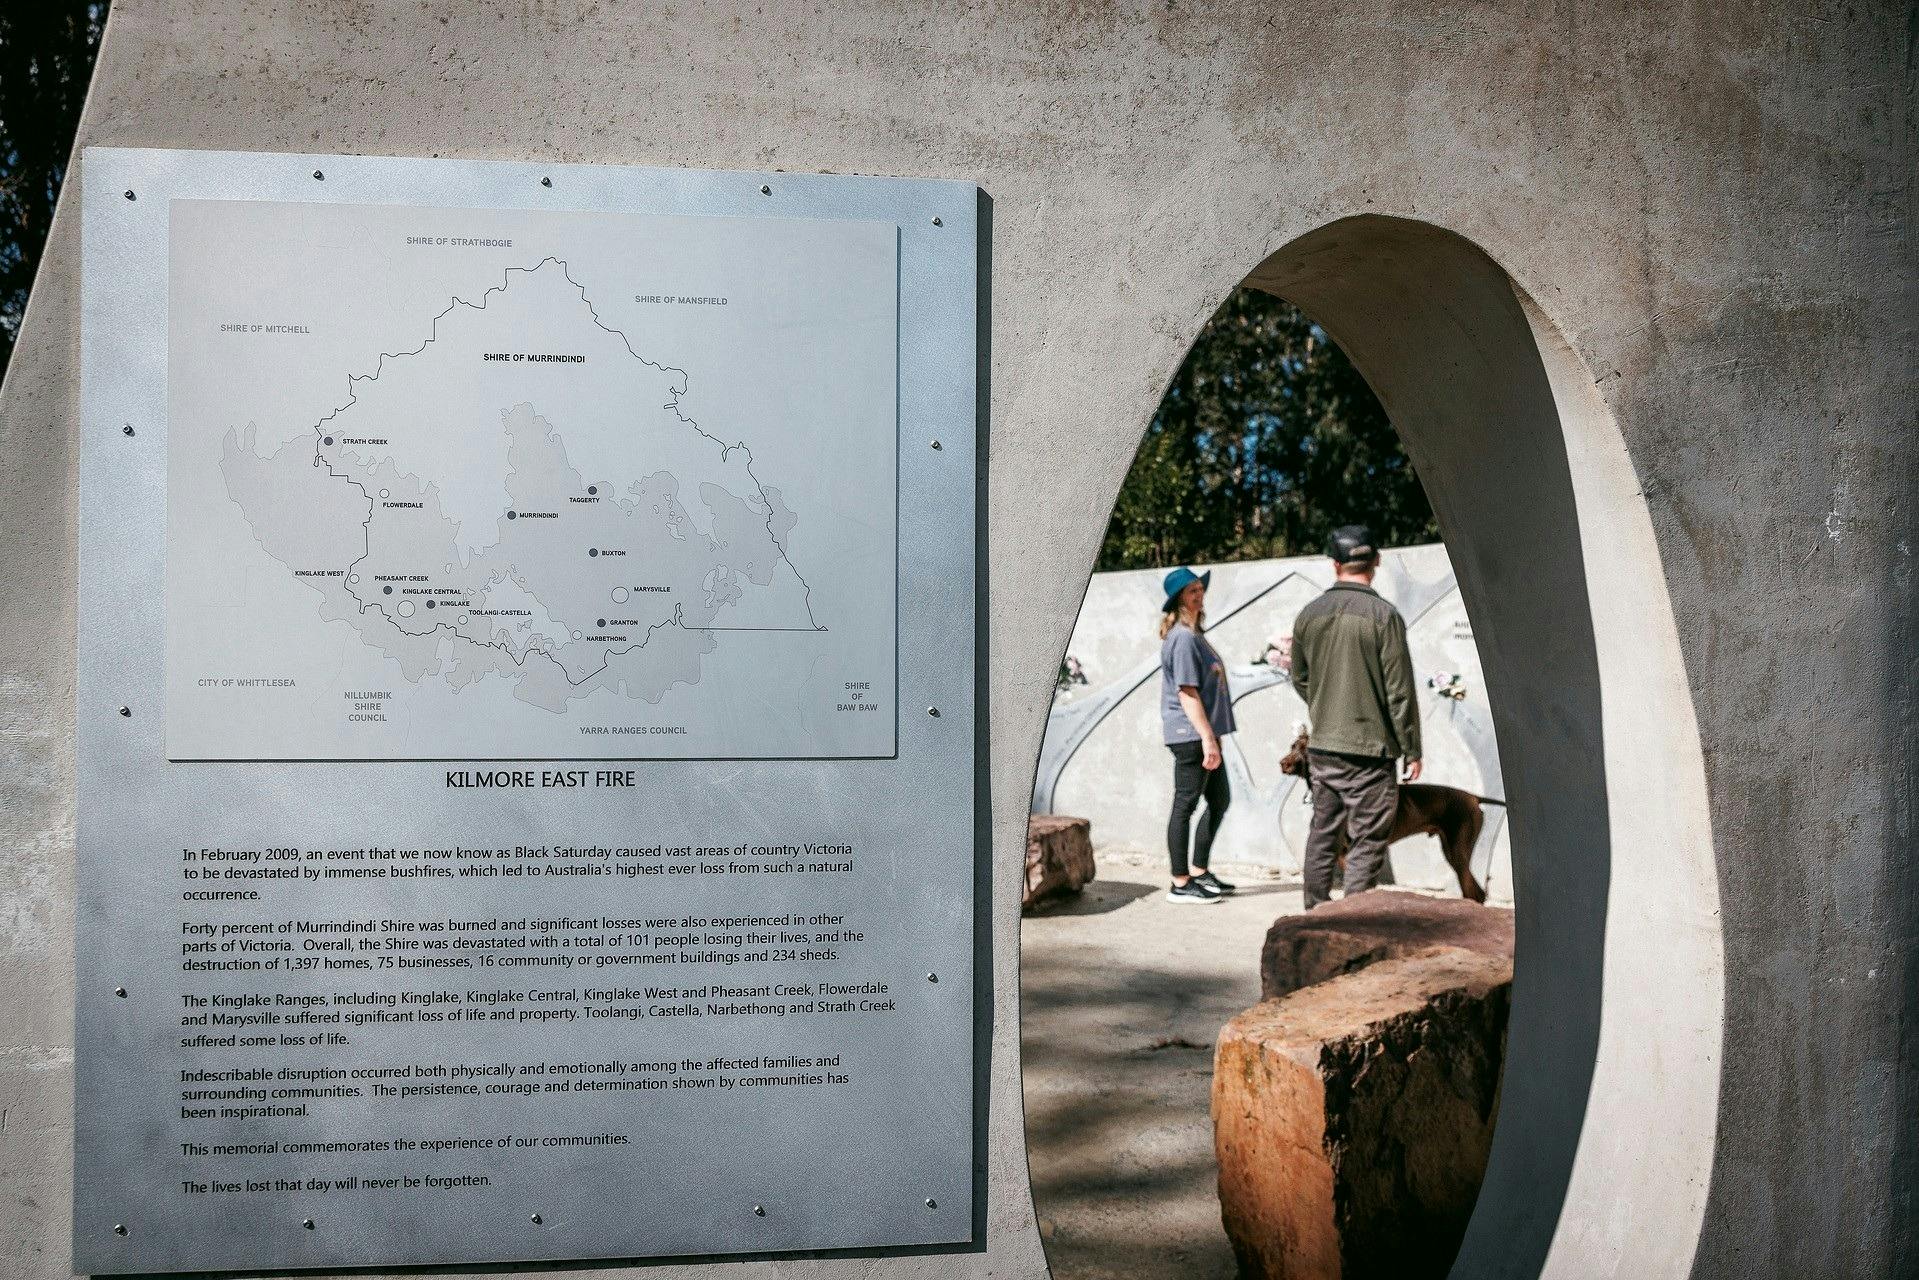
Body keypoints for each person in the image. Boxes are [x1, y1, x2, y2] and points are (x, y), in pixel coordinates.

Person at [1288, 525, 1421, 909]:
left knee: (1323, 835)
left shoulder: (1308, 615)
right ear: (1376, 561)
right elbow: (1400, 691)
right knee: (1367, 841)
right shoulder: (1384, 616)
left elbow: (1299, 676)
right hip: (1371, 752)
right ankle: (1354, 922)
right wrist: (1411, 748)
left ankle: (1312, 917)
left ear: (1334, 564)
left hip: (1325, 748)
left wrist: (1326, 709)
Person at [1158, 566, 1238, 904]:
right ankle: (1180, 882)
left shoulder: (1195, 634)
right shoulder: (1183, 638)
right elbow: (1187, 692)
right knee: (1185, 804)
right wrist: (1207, 737)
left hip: (1203, 733)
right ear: (1179, 599)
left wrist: (1213, 735)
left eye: (1199, 589)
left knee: (1219, 800)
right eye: (1191, 591)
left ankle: (1200, 871)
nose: (1199, 594)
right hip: (1190, 734)